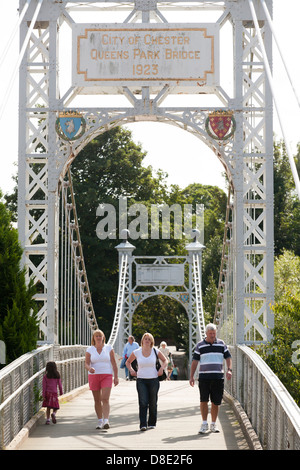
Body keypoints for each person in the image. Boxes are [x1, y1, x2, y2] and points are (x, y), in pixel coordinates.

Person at [189, 323, 232, 434]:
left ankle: (213, 424)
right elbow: (195, 362)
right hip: (204, 377)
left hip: (218, 377)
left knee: (216, 402)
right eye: (210, 333)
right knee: (203, 400)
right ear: (206, 334)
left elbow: (228, 357)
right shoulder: (200, 345)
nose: (212, 335)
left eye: (214, 333)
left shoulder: (221, 344)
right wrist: (192, 376)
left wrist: (229, 370)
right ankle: (204, 424)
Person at [126, 332, 167, 431]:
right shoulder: (137, 352)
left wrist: (161, 369)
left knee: (153, 402)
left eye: (149, 339)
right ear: (142, 341)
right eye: (146, 339)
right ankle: (143, 424)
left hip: (153, 380)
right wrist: (131, 370)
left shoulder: (155, 351)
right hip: (141, 380)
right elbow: (128, 362)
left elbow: (165, 360)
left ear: (152, 341)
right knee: (143, 402)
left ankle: (152, 422)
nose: (147, 341)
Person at [85, 329, 119, 430]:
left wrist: (116, 377)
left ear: (103, 337)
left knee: (105, 398)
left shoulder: (109, 348)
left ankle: (106, 420)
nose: (99, 338)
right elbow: (86, 363)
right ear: (94, 338)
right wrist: (89, 368)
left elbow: (113, 363)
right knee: (97, 400)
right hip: (94, 376)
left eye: (100, 336)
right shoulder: (90, 349)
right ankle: (100, 420)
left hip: (106, 375)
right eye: (97, 336)